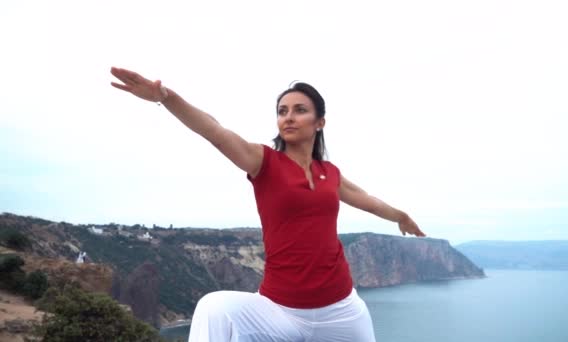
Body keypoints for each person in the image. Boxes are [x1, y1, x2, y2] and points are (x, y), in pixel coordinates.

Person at [110, 67, 426, 342]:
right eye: (282, 110)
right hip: (280, 310)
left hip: (341, 311)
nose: (288, 117)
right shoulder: (263, 161)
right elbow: (215, 131)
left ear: (320, 122)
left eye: (299, 110)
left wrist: (401, 216)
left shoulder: (329, 173)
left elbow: (366, 199)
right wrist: (166, 97)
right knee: (213, 308)